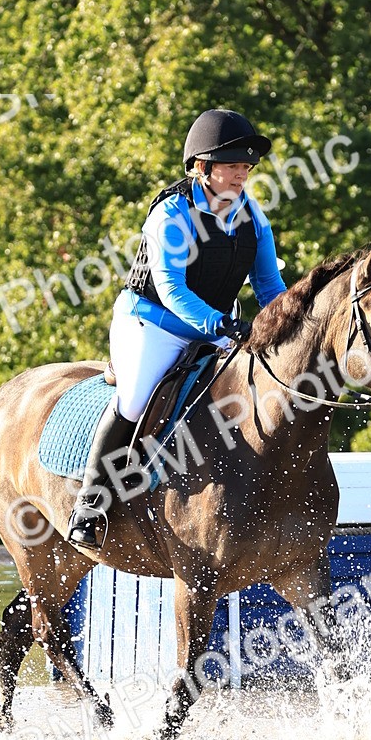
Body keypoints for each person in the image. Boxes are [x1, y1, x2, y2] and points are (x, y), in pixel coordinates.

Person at [67, 107, 287, 549]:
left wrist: (285, 324)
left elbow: (269, 285)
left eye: (246, 166)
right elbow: (170, 286)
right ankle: (89, 507)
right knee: (135, 399)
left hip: (216, 328)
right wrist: (218, 324)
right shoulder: (171, 213)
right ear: (202, 168)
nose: (242, 173)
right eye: (232, 165)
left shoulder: (253, 217)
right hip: (151, 322)